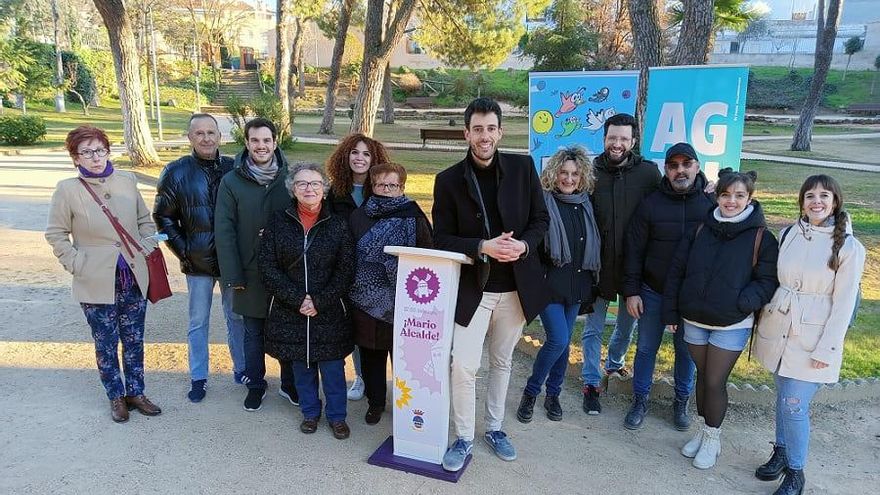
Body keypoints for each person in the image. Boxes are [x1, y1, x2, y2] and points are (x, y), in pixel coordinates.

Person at [432, 97, 549, 472]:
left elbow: (541, 220)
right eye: (478, 129)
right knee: (463, 365)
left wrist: (524, 245)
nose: (485, 136)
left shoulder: (523, 167)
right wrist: (482, 246)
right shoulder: (447, 180)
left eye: (491, 128)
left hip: (516, 289)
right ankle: (464, 437)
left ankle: (495, 429)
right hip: (473, 289)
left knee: (501, 362)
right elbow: (440, 238)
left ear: (501, 132)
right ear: (466, 134)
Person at [752, 175, 865, 495]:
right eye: (810, 196)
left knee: (794, 403)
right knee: (783, 395)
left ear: (835, 201)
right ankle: (781, 451)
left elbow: (844, 304)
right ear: (802, 202)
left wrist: (827, 349)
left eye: (824, 195)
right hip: (780, 328)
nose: (817, 201)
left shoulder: (849, 247)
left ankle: (796, 472)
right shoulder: (788, 234)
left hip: (813, 337)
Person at [662, 169, 779, 469]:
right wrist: (672, 311)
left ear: (750, 198)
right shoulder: (701, 229)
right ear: (717, 196)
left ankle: (713, 438)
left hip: (732, 323)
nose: (731, 201)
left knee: (715, 381)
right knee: (703, 377)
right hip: (695, 319)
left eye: (739, 195)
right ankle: (704, 432)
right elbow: (677, 270)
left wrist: (742, 302)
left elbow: (767, 281)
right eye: (726, 195)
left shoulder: (762, 237)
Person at [45, 125, 162, 422]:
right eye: (87, 152)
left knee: (134, 338)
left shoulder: (127, 180)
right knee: (106, 342)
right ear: (76, 158)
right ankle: (116, 396)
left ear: (108, 151)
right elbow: (56, 233)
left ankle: (136, 392)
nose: (95, 157)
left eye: (100, 150)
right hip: (95, 279)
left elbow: (144, 220)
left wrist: (147, 245)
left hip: (133, 275)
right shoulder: (67, 190)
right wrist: (76, 263)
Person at [153, 113, 246, 401]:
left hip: (231, 261)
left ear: (220, 136)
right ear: (190, 137)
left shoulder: (234, 168)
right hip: (197, 262)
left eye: (211, 132)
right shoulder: (176, 172)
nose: (206, 138)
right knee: (198, 322)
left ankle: (242, 369)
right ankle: (198, 376)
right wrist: (185, 251)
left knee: (237, 318)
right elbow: (163, 217)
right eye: (199, 133)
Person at [258, 162, 355, 440]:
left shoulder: (337, 224)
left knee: (333, 369)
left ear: (324, 189)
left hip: (329, 310)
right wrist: (298, 299)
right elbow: (267, 266)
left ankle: (337, 417)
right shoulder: (278, 222)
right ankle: (310, 412)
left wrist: (319, 301)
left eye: (314, 183)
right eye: (302, 183)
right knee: (302, 367)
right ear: (293, 189)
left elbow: (346, 269)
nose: (309, 188)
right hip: (292, 310)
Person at [622, 142, 714, 431]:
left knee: (686, 352)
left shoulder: (711, 204)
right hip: (653, 291)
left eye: (686, 164)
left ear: (697, 167)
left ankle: (681, 402)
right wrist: (632, 291)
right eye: (673, 166)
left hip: (690, 297)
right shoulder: (650, 204)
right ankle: (640, 400)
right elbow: (634, 250)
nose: (680, 171)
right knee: (646, 348)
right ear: (666, 170)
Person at [215, 118, 297, 412]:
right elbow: (224, 230)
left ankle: (289, 383)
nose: (261, 146)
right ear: (246, 143)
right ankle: (256, 384)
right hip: (249, 270)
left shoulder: (291, 177)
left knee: (287, 329)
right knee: (252, 331)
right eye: (255, 140)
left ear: (275, 142)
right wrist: (232, 275)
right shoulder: (231, 182)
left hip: (286, 270)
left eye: (266, 140)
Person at [580, 113, 660, 415]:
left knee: (627, 326)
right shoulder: (590, 171)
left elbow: (669, 200)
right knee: (593, 328)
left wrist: (705, 185)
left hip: (633, 269)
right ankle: (591, 382)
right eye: (612, 138)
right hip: (597, 267)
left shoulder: (649, 174)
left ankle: (614, 364)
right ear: (604, 139)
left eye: (624, 139)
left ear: (633, 141)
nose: (617, 144)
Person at [516, 146, 600, 423]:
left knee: (563, 344)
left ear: (582, 176)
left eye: (575, 174)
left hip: (576, 285)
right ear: (554, 173)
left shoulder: (586, 204)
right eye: (564, 172)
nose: (569, 178)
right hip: (549, 286)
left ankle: (553, 394)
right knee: (559, 339)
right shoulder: (543, 203)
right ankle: (531, 392)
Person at [348, 162, 433, 425]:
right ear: (372, 186)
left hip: (405, 301)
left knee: (406, 358)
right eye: (380, 185)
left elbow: (428, 255)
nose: (386, 189)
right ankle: (375, 403)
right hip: (366, 298)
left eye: (392, 185)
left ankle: (406, 406)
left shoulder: (414, 216)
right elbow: (349, 254)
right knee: (371, 355)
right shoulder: (359, 216)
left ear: (402, 187)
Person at [325, 133, 391, 401]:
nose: (360, 158)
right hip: (346, 269)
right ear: (345, 156)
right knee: (353, 326)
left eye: (366, 154)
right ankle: (361, 377)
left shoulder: (382, 189)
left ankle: (380, 382)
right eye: (354, 152)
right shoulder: (334, 193)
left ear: (375, 159)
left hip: (378, 272)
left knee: (375, 328)